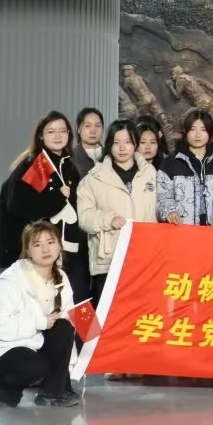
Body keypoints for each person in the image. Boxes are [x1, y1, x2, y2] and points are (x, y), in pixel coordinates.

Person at [0, 221, 80, 408]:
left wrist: (68, 372)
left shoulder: (61, 277)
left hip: (33, 341)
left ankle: (52, 393)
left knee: (64, 327)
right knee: (37, 367)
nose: (45, 249)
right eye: (37, 245)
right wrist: (40, 322)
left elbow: (66, 322)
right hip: (3, 346)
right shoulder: (11, 280)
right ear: (28, 251)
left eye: (50, 242)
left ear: (59, 246)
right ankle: (0, 385)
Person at [0, 113, 88, 297]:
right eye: (51, 131)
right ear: (41, 135)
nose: (58, 136)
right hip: (30, 254)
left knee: (72, 301)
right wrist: (58, 198)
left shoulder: (70, 166)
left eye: (63, 131)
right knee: (34, 306)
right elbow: (18, 205)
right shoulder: (36, 164)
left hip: (66, 253)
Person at [76, 119, 156, 303]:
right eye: (116, 142)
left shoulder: (150, 173)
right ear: (109, 145)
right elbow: (84, 216)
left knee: (141, 312)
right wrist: (108, 220)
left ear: (135, 144)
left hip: (144, 258)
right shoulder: (94, 178)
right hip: (108, 259)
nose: (122, 148)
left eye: (127, 142)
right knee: (108, 313)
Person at [158, 110, 213, 226]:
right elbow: (163, 196)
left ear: (210, 132)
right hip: (182, 228)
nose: (197, 135)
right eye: (192, 129)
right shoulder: (171, 163)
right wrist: (170, 212)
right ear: (185, 131)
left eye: (203, 130)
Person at [70, 108, 105, 176]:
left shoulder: (110, 155)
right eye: (87, 126)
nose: (93, 131)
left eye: (98, 126)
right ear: (78, 129)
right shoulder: (70, 159)